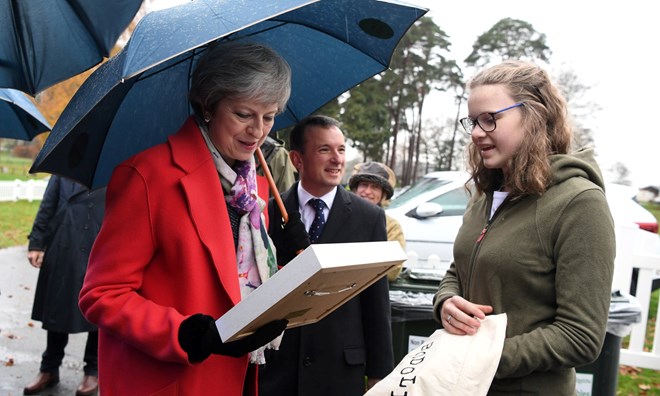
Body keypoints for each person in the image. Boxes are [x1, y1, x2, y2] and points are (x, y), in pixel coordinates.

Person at [78, 40, 305, 395]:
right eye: (244, 114)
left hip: (240, 377)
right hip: (174, 381)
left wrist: (291, 256)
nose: (258, 131)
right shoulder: (148, 176)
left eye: (270, 116)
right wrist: (188, 334)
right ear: (208, 105)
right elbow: (101, 294)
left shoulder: (255, 187)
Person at [433, 60, 615, 394]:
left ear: (535, 116)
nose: (476, 132)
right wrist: (446, 302)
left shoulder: (579, 203)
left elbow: (581, 336)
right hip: (461, 384)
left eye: (490, 119)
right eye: (473, 121)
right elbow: (459, 270)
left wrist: (484, 358)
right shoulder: (485, 194)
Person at [259, 115, 395, 396]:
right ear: (297, 160)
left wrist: (381, 373)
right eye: (324, 150)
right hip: (278, 370)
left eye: (341, 150)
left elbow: (375, 299)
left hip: (340, 371)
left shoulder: (368, 217)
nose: (337, 160)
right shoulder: (269, 212)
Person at [24, 175, 104, 396]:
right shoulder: (65, 167)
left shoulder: (119, 166)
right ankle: (49, 368)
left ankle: (93, 370)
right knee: (57, 310)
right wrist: (37, 243)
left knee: (98, 311)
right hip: (64, 244)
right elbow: (48, 204)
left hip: (100, 249)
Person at [348, 161, 405, 281]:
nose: (368, 191)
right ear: (355, 189)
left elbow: (393, 270)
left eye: (375, 187)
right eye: (364, 184)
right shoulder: (340, 216)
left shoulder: (391, 226)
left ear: (383, 194)